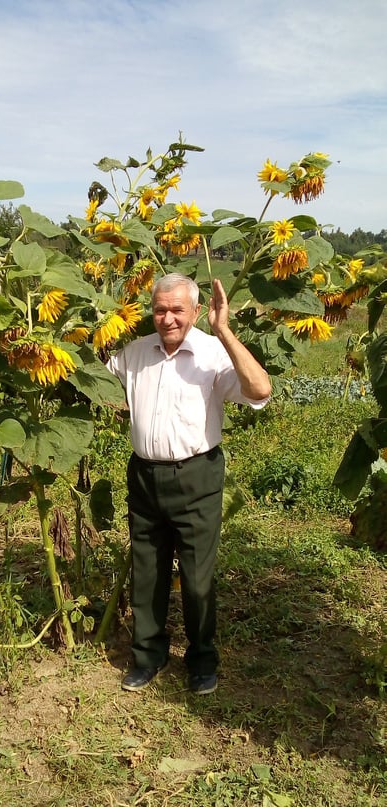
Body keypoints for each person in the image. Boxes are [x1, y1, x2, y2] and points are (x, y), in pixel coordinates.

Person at [107, 273, 271, 694]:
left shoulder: (214, 353)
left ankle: (201, 660)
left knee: (197, 579)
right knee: (148, 571)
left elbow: (260, 390)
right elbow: (99, 386)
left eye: (178, 310)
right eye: (160, 309)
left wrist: (224, 331)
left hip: (196, 476)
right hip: (144, 474)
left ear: (196, 312)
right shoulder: (135, 352)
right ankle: (149, 655)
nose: (167, 318)